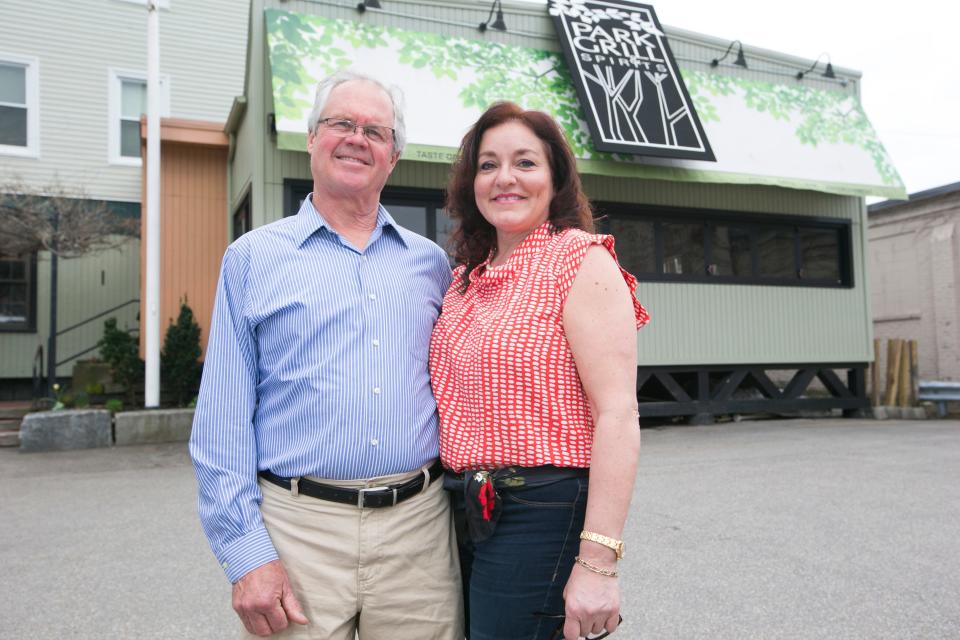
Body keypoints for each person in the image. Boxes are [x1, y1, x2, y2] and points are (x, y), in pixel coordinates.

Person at [190, 70, 462, 639]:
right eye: (341, 123)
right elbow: (222, 423)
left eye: (375, 130)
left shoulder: (432, 265)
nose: (357, 138)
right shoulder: (252, 259)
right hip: (298, 530)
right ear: (312, 138)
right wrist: (246, 555)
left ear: (394, 157)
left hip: (419, 529)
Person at [429, 101, 649, 640]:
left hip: (541, 507)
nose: (505, 178)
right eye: (488, 164)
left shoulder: (579, 259)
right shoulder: (462, 281)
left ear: (555, 179)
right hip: (460, 506)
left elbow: (618, 415)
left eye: (525, 163)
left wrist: (598, 564)